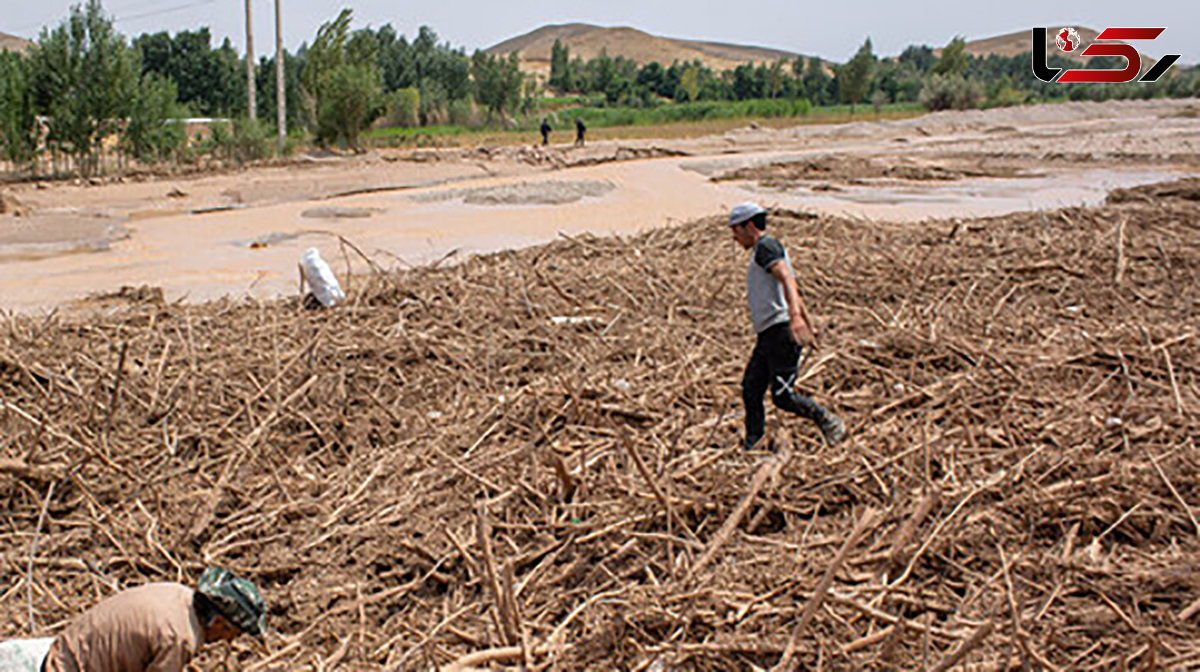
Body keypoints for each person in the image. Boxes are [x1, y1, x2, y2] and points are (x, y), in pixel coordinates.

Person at [728, 202, 845, 449]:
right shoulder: (764, 250)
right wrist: (807, 323)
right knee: (751, 388)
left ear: (749, 225)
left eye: (736, 230)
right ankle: (754, 442)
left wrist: (796, 317)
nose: (734, 237)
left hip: (780, 333)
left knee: (783, 397)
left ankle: (830, 422)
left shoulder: (765, 247)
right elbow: (789, 286)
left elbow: (787, 278)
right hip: (769, 334)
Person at [41, 567, 266, 672]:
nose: (229, 641)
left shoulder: (175, 593)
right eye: (232, 634)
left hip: (65, 650)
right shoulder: (181, 638)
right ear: (218, 622)